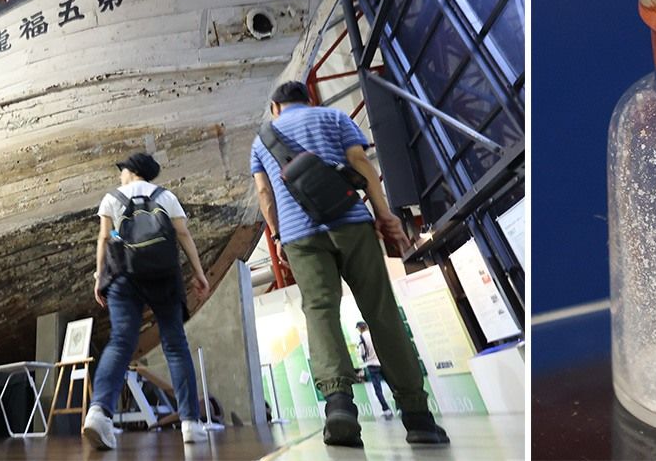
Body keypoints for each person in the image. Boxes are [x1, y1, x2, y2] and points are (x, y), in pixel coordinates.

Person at [250, 81, 449, 447]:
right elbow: (360, 164)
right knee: (381, 311)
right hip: (351, 223)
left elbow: (265, 193)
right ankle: (418, 417)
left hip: (299, 236)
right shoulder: (334, 117)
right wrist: (384, 214)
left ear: (276, 107)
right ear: (307, 100)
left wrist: (278, 236)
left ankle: (339, 406)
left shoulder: (262, 139)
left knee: (321, 313)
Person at [82, 152, 212, 450]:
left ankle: (100, 414)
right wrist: (198, 272)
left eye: (122, 171)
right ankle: (191, 423)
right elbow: (183, 234)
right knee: (175, 344)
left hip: (124, 276)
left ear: (131, 170)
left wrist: (100, 278)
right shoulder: (166, 196)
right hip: (164, 275)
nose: (119, 177)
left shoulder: (111, 198)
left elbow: (104, 239)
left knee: (120, 342)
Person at [355, 321, 393, 419]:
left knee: (378, 390)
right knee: (392, 385)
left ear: (359, 328)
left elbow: (362, 352)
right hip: (381, 362)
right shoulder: (373, 334)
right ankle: (401, 406)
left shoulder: (361, 337)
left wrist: (363, 358)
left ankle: (386, 410)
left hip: (371, 365)